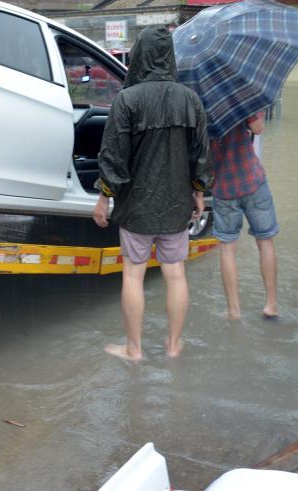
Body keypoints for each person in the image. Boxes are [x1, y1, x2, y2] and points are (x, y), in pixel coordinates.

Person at [94, 25, 212, 362]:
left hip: (136, 207)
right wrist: (199, 191)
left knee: (133, 273)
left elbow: (113, 155)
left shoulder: (126, 100)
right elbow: (200, 154)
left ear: (140, 56)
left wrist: (104, 196)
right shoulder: (190, 100)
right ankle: (174, 346)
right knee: (175, 273)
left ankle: (134, 350)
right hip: (177, 206)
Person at [211, 111, 279, 320]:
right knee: (265, 241)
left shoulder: (199, 104)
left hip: (223, 187)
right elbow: (258, 128)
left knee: (227, 248)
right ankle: (271, 305)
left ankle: (234, 311)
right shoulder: (237, 96)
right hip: (253, 180)